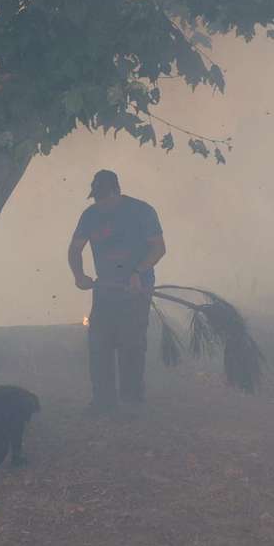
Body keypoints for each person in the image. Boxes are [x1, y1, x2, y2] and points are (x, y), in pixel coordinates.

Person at [67, 170, 166, 412]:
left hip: (137, 289)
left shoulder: (142, 211)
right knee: (99, 343)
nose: (101, 203)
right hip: (105, 289)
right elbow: (75, 249)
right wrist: (79, 276)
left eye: (105, 197)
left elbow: (159, 248)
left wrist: (138, 273)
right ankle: (103, 400)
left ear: (116, 191)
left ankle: (131, 400)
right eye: (97, 197)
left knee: (131, 343)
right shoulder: (90, 216)